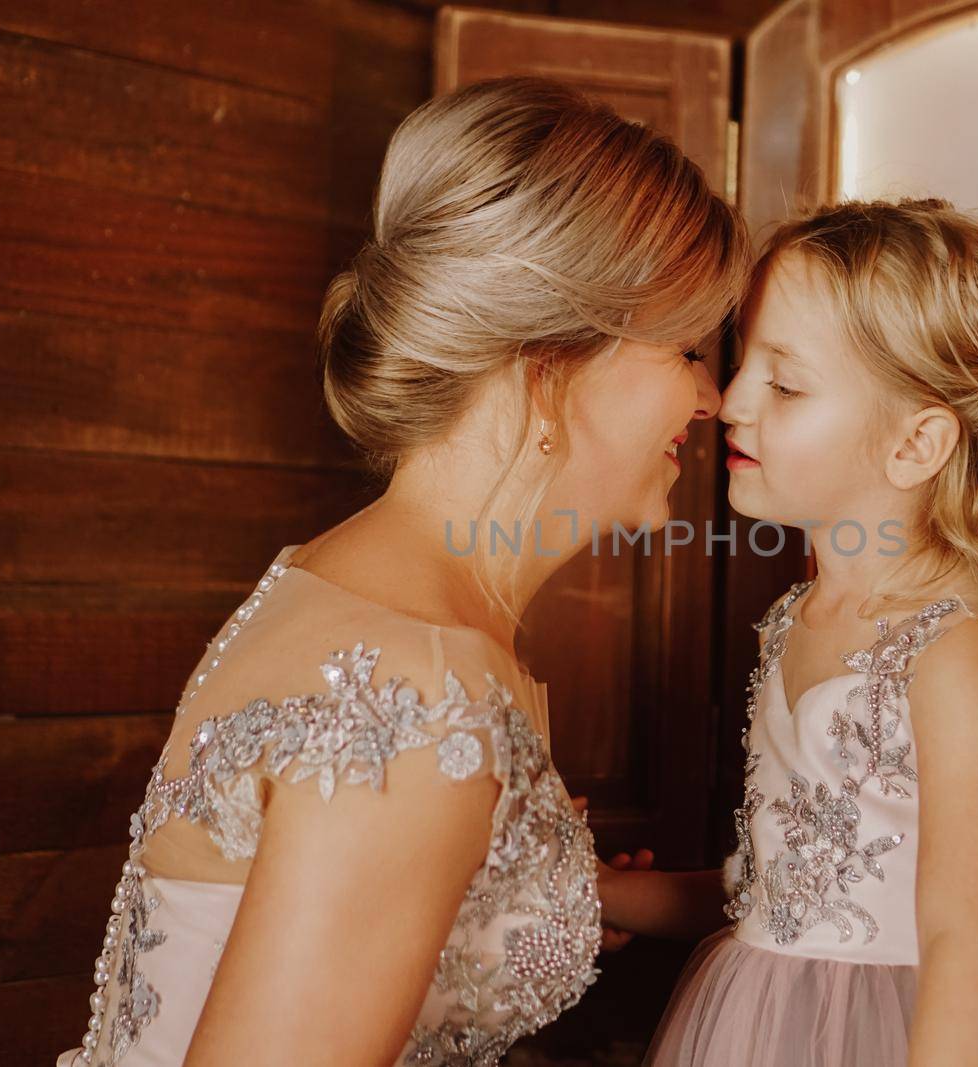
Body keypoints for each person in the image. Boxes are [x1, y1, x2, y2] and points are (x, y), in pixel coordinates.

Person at [57, 75, 748, 1067]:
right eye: (684, 347)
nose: (711, 396)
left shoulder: (345, 580)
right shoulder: (421, 689)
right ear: (549, 363)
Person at [602, 198, 978, 1066]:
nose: (728, 401)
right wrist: (611, 892)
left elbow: (965, 944)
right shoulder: (792, 622)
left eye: (785, 383)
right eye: (740, 367)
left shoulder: (958, 653)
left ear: (917, 443)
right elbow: (782, 889)